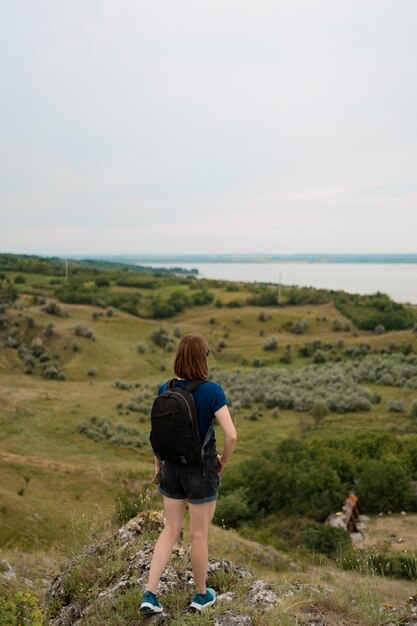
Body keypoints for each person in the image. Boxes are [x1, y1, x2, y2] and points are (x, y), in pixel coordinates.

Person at [140, 334, 237, 614]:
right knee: (198, 535)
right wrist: (223, 463)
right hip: (201, 468)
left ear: (179, 357)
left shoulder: (165, 387)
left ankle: (150, 594)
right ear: (203, 359)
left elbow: (160, 432)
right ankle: (200, 596)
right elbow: (231, 435)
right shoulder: (212, 391)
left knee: (170, 530)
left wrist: (158, 463)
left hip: (170, 466)